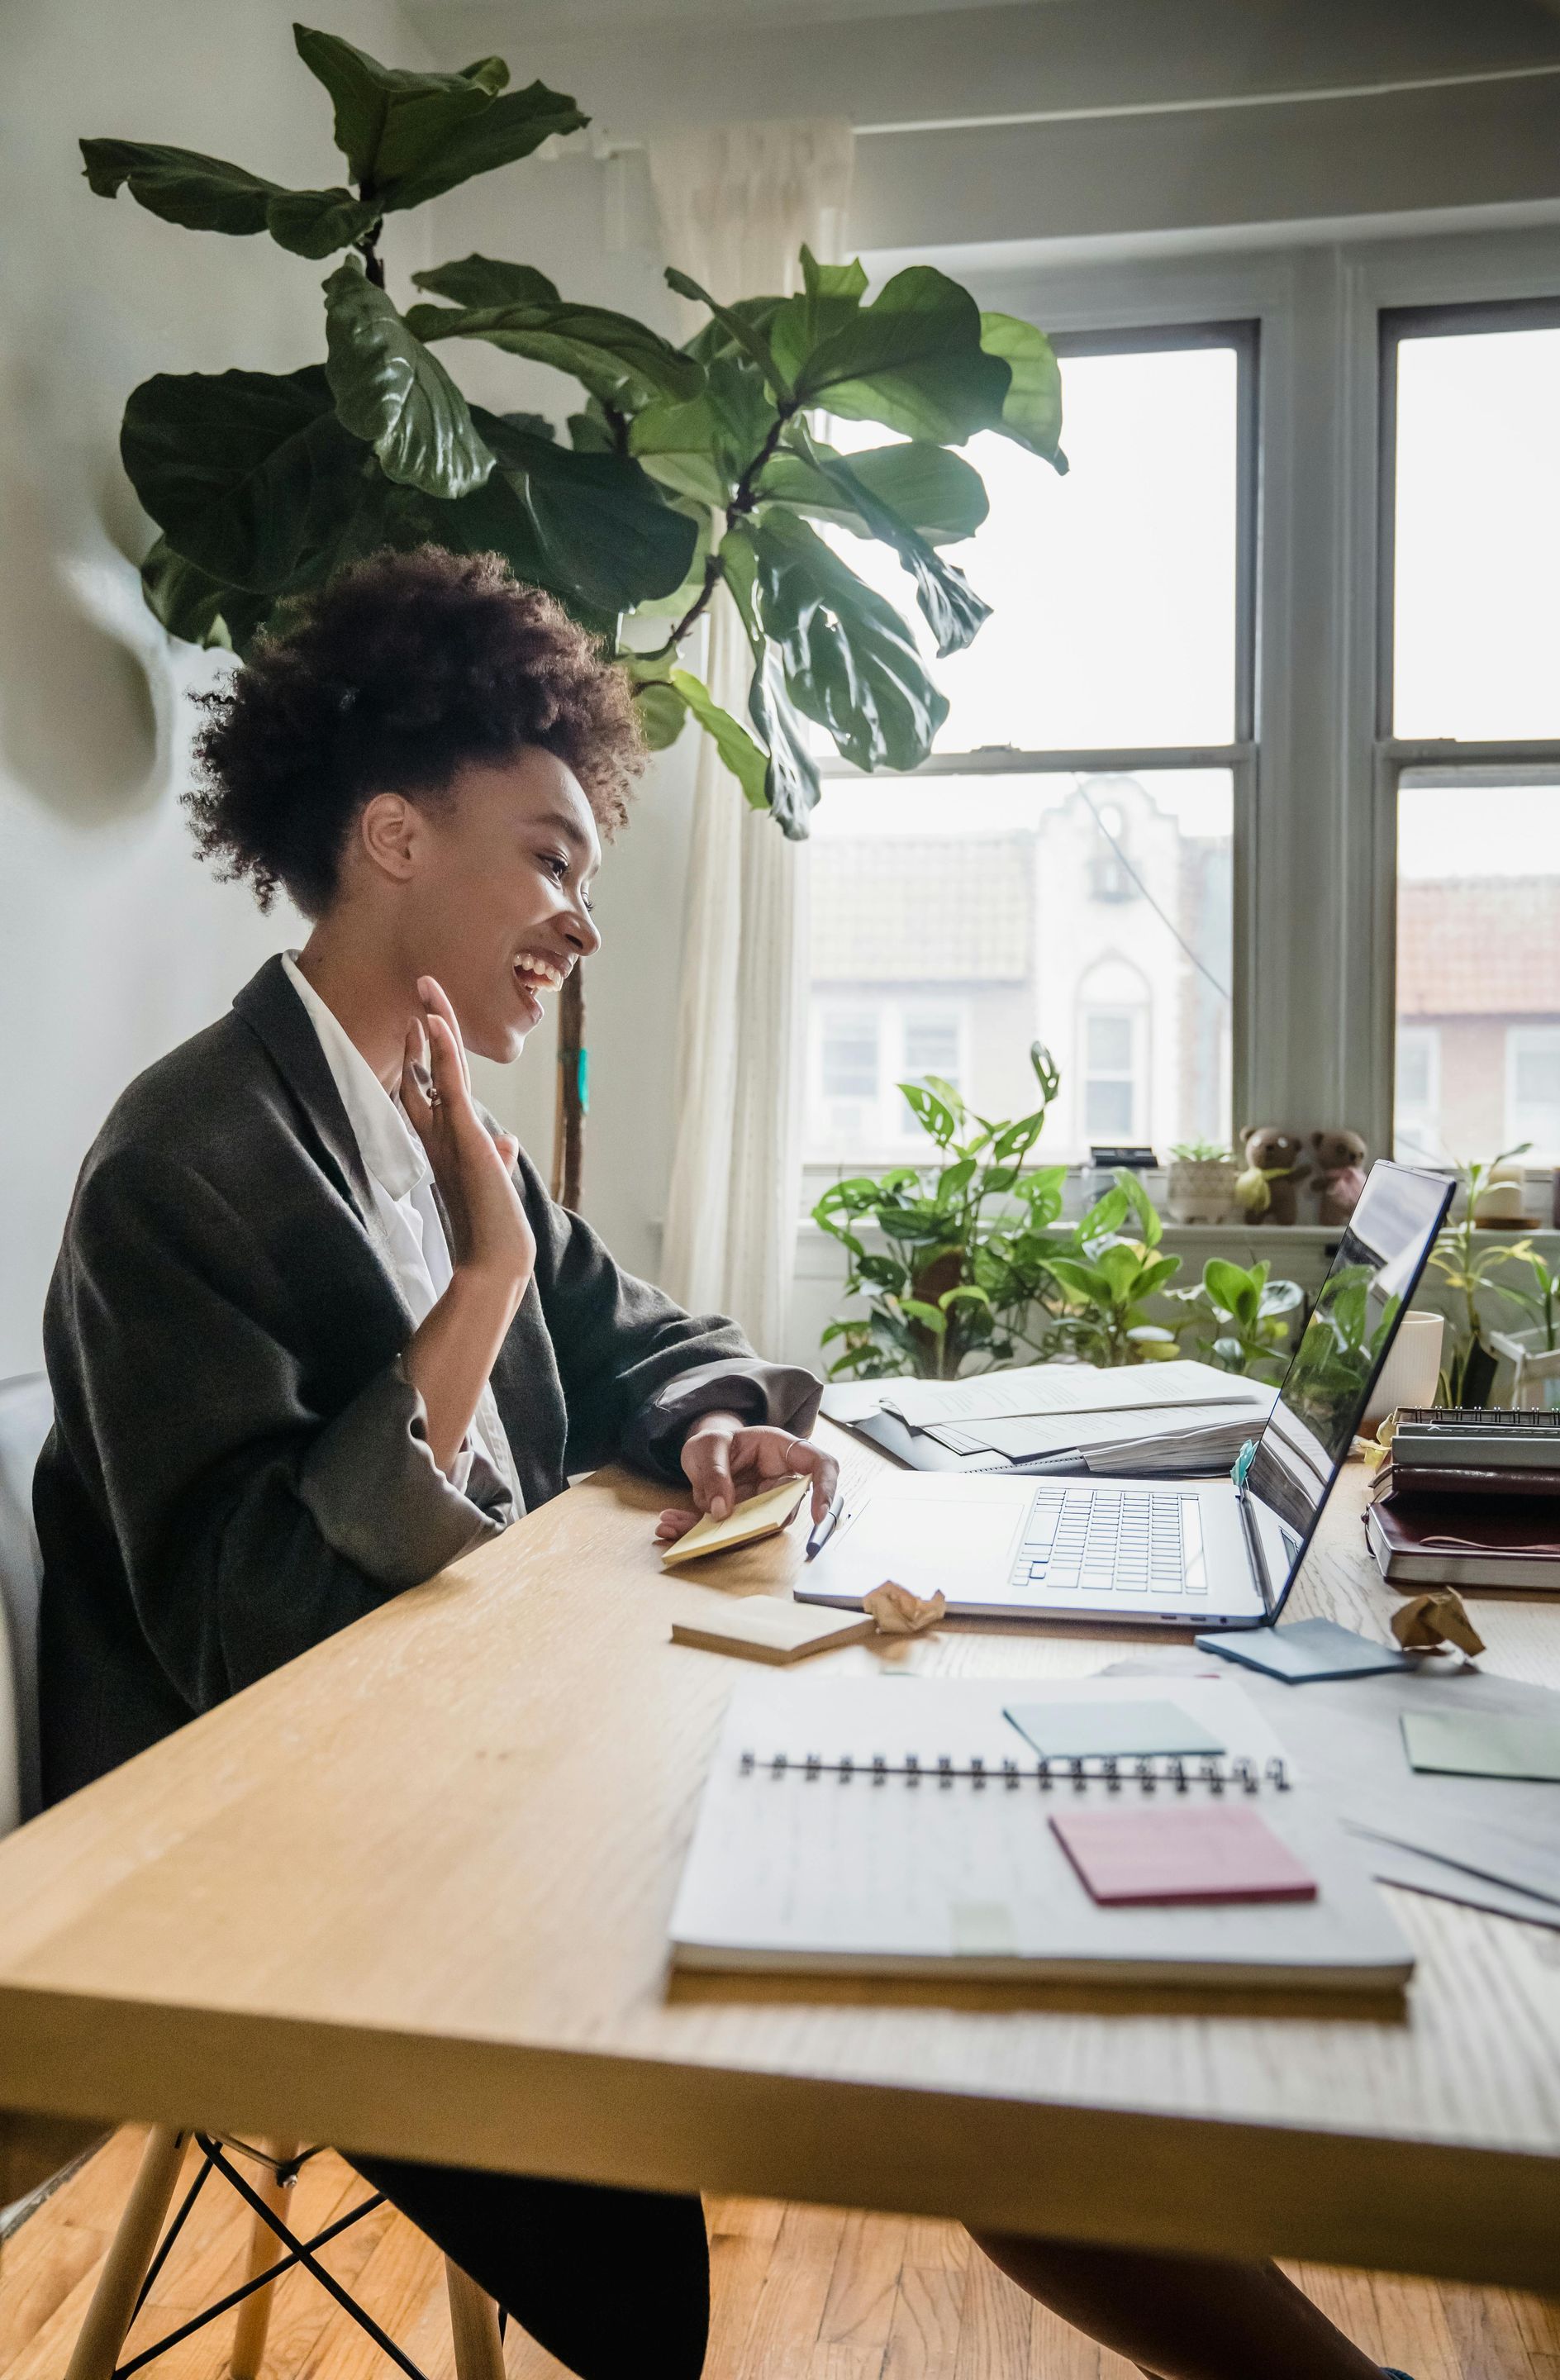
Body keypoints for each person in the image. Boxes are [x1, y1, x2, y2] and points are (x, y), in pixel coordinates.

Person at [34, 548, 1412, 2380]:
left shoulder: (453, 1138)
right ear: (389, 842)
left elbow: (649, 1341)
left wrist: (703, 1419)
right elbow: (245, 1644)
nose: (577, 924)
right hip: (287, 1875)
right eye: (548, 857)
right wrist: (482, 1286)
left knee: (939, 1942)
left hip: (494, 1761)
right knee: (898, 2010)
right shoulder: (184, 1165)